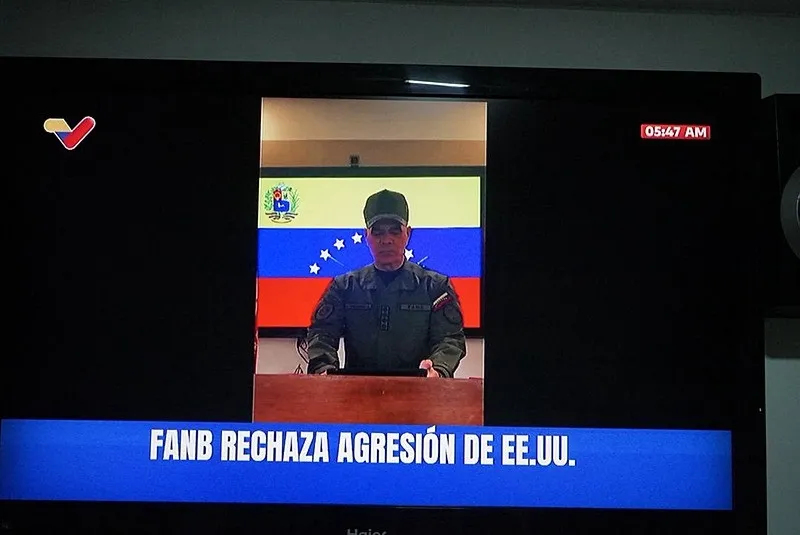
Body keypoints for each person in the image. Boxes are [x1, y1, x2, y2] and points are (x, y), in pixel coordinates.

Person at [306, 189, 467, 378]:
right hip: (357, 389)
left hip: (418, 389)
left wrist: (438, 369)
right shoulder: (345, 286)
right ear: (366, 236)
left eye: (395, 231)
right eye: (378, 232)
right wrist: (324, 369)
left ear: (408, 233)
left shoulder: (435, 287)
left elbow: (450, 339)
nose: (387, 240)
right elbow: (322, 334)